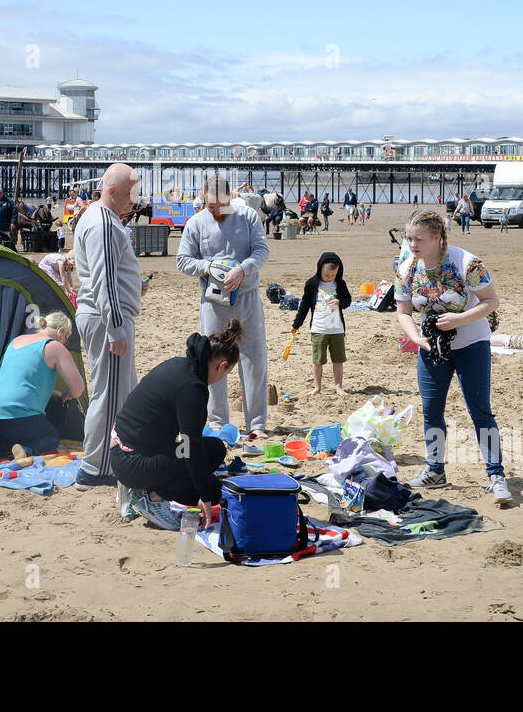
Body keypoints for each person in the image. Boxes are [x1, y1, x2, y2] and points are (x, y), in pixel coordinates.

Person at [395, 209, 510, 504]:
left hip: (472, 343)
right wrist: (416, 338)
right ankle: (435, 471)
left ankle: (496, 475)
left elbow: (491, 302)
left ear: (437, 237)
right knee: (431, 409)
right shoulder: (406, 268)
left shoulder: (467, 263)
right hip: (431, 347)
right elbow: (403, 312)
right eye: (408, 238)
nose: (412, 245)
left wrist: (458, 321)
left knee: (479, 411)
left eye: (418, 239)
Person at [110, 321, 243, 530]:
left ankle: (141, 488)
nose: (221, 378)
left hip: (123, 450)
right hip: (132, 462)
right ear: (222, 365)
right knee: (213, 486)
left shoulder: (180, 365)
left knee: (214, 453)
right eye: (225, 374)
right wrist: (206, 496)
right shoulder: (192, 388)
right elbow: (192, 447)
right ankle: (153, 497)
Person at [176, 175, 271, 438]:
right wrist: (208, 267)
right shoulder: (196, 222)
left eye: (219, 205)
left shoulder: (248, 216)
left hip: (248, 296)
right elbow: (182, 260)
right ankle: (217, 422)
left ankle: (256, 425)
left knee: (254, 360)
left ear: (230, 197)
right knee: (211, 359)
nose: (214, 210)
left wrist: (242, 269)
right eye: (209, 205)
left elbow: (262, 251)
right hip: (213, 301)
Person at [73, 163, 148, 490]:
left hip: (104, 315)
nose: (136, 200)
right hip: (107, 320)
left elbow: (105, 276)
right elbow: (102, 281)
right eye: (131, 193)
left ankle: (104, 462)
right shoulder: (103, 222)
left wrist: (135, 286)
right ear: (113, 191)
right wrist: (116, 329)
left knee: (116, 391)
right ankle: (95, 469)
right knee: (110, 395)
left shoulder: (97, 217)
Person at [0, 312, 86, 463]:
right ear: (62, 332)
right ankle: (25, 450)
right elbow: (78, 389)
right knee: (50, 437)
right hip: (13, 416)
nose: (66, 343)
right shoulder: (54, 346)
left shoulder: (17, 340)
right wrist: (67, 395)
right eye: (67, 338)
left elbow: (14, 382)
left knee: (6, 431)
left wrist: (54, 393)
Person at [291, 251, 351, 396]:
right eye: (326, 275)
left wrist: (339, 302)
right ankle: (317, 387)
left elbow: (348, 301)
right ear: (320, 269)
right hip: (319, 328)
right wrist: (296, 324)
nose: (329, 277)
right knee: (318, 361)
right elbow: (304, 305)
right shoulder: (312, 283)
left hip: (337, 329)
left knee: (338, 360)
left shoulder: (340, 283)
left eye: (333, 275)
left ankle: (338, 387)